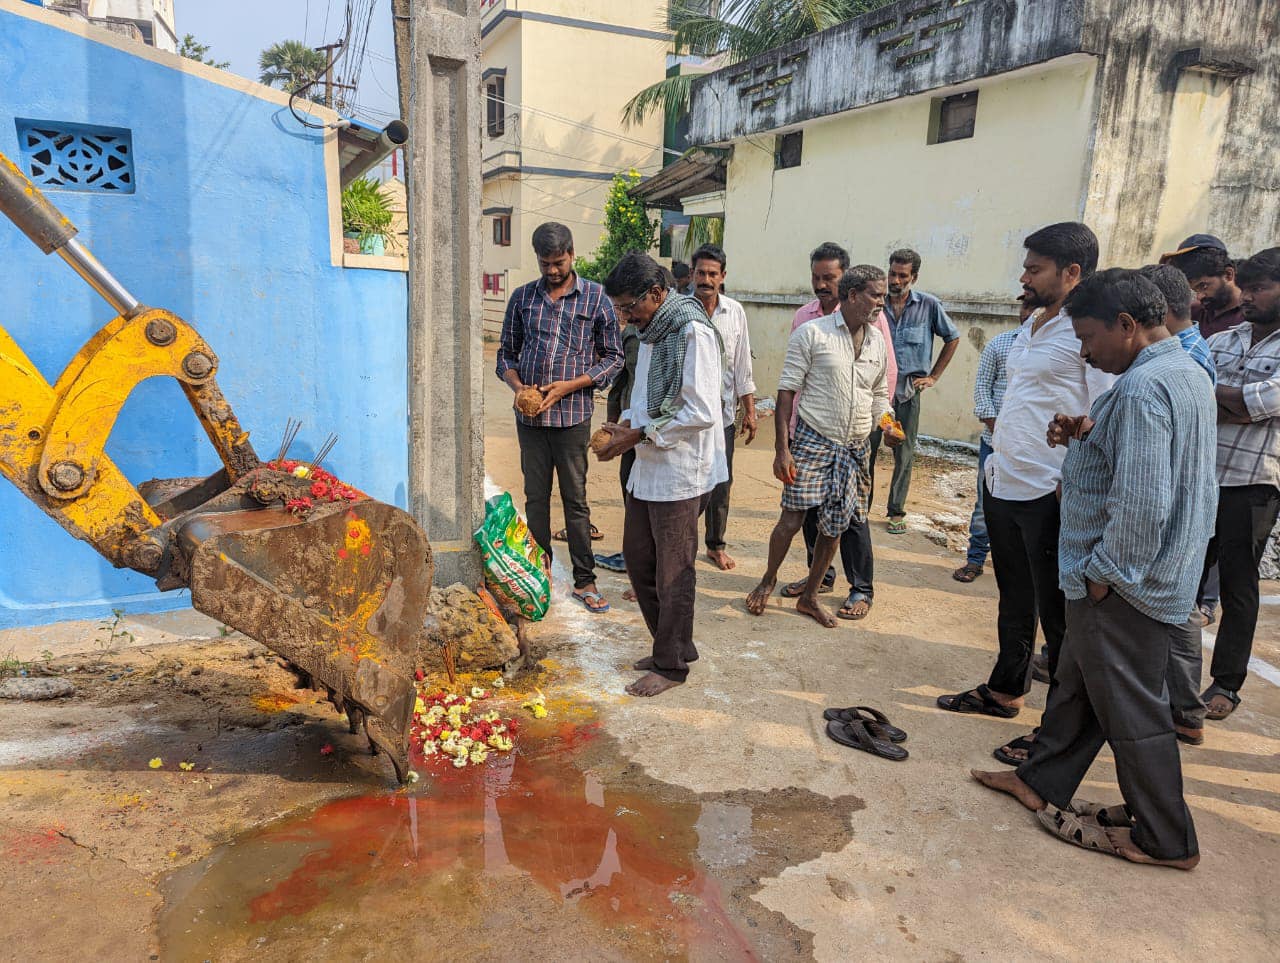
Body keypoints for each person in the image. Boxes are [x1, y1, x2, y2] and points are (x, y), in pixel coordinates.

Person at [972, 268, 1216, 871]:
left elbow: (1144, 501)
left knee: (1132, 711)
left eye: (1088, 337)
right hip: (1143, 574)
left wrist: (1106, 574)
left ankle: (1165, 837)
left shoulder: (1140, 390)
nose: (1083, 351)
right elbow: (1160, 464)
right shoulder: (1183, 371)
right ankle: (1042, 780)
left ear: (1127, 326)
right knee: (1079, 682)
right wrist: (1086, 430)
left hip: (1124, 582)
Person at [937, 223, 1113, 767]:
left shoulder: (1090, 333)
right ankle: (1005, 691)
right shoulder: (1036, 324)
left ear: (1072, 273)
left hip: (1050, 491)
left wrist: (1075, 482)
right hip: (1006, 481)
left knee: (1058, 617)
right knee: (1015, 600)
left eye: (1035, 268)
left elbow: (1106, 412)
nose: (1024, 276)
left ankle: (1054, 732)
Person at [594, 252, 727, 698]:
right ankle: (674, 644)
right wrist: (625, 426)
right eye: (619, 309)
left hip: (682, 469)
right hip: (650, 462)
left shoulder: (691, 331)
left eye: (629, 307)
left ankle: (670, 666)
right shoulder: (652, 329)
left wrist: (637, 436)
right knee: (638, 558)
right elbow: (645, 395)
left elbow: (702, 411)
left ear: (656, 293)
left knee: (674, 571)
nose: (625, 317)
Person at [745, 266, 899, 627]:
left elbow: (878, 394)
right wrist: (783, 449)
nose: (882, 302)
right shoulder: (812, 333)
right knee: (792, 518)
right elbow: (787, 393)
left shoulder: (877, 340)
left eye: (883, 295)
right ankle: (768, 579)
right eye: (875, 294)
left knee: (836, 525)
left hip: (856, 446)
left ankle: (811, 596)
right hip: (814, 440)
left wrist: (888, 424)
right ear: (851, 295)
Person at [496, 222, 623, 613]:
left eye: (559, 262)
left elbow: (613, 357)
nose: (552, 270)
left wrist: (571, 385)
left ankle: (585, 580)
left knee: (575, 499)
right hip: (531, 422)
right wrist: (520, 390)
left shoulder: (596, 298)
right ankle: (541, 570)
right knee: (536, 498)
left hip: (572, 417)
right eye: (545, 263)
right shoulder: (522, 298)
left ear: (572, 253)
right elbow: (505, 356)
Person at [785, 243, 897, 615]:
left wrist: (883, 422)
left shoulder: (872, 319)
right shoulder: (805, 319)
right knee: (808, 509)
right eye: (816, 277)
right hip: (810, 431)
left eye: (828, 278)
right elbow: (792, 382)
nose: (821, 285)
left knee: (852, 514)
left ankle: (861, 587)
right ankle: (819, 577)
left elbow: (883, 378)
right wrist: (788, 434)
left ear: (845, 281)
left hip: (854, 431)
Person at [1199, 247, 1280, 721]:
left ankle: (1226, 684)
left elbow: (1261, 403)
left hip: (1253, 485)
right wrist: (1237, 403)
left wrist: (1226, 401)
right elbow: (1194, 394)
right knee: (1181, 577)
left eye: (1260, 287)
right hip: (1201, 478)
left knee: (1237, 587)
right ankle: (1165, 672)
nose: (1247, 296)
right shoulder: (1223, 340)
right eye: (1245, 287)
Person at [1137, 263, 1217, 744]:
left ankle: (1185, 709)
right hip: (1183, 501)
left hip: (1178, 505)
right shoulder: (1182, 355)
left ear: (1159, 310)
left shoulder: (1182, 362)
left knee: (1175, 607)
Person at [872, 249, 960, 534]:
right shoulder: (876, 303)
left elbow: (952, 338)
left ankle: (896, 511)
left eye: (902, 275)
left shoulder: (929, 306)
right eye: (892, 273)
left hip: (908, 394)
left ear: (914, 277)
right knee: (867, 450)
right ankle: (861, 505)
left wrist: (933, 376)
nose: (895, 280)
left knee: (904, 453)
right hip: (878, 395)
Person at [689, 244, 758, 571]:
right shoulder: (679, 310)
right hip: (686, 418)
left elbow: (742, 365)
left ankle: (715, 545)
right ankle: (679, 550)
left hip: (724, 418)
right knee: (687, 486)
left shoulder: (735, 313)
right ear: (692, 274)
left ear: (722, 277)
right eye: (701, 273)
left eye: (712, 274)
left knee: (720, 484)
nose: (706, 279)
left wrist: (751, 410)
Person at [952, 302, 1028, 584]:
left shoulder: (1053, 352)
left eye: (1037, 308)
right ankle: (975, 559)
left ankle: (1015, 566)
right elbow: (982, 388)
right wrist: (997, 427)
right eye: (1026, 307)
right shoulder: (1001, 344)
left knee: (1025, 507)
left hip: (1032, 447)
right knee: (986, 503)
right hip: (993, 442)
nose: (1030, 313)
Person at [1162, 234, 1245, 339]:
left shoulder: (1251, 317)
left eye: (1204, 286)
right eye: (1194, 290)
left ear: (1228, 274)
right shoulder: (1191, 313)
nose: (1199, 296)